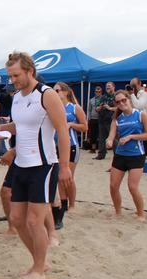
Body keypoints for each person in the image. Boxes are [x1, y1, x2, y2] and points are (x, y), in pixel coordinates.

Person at [0, 53, 72, 279]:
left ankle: (39, 266)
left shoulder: (47, 95)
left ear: (29, 72)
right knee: (16, 219)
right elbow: (21, 126)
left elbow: (62, 131)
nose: (12, 79)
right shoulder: (16, 98)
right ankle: (38, 261)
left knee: (35, 220)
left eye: (16, 75)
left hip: (43, 165)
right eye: (10, 75)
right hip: (22, 164)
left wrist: (64, 167)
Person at [106, 90, 147, 220]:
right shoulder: (117, 119)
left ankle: (141, 213)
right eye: (118, 102)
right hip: (120, 155)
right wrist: (109, 141)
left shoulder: (140, 114)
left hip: (136, 155)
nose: (121, 103)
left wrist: (131, 137)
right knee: (113, 186)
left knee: (132, 187)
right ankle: (118, 212)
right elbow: (111, 135)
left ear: (129, 99)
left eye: (123, 100)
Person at [52, 82, 87, 228]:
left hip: (71, 145)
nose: (55, 93)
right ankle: (64, 204)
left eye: (57, 90)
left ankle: (71, 204)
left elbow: (85, 126)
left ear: (65, 92)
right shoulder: (53, 107)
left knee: (68, 178)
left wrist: (71, 125)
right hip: (54, 146)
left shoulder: (74, 107)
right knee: (59, 178)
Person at [95, 82, 116, 160]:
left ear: (113, 87)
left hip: (111, 120)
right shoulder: (103, 97)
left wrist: (109, 108)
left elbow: (119, 108)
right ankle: (101, 154)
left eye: (109, 86)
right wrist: (99, 107)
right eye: (106, 86)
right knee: (101, 138)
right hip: (102, 119)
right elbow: (96, 108)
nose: (107, 87)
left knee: (114, 138)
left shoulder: (116, 96)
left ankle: (117, 155)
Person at [87, 86, 102, 153]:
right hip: (93, 119)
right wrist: (89, 118)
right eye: (96, 91)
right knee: (93, 135)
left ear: (101, 92)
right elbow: (89, 110)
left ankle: (102, 149)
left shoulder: (103, 99)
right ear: (94, 92)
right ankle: (93, 148)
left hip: (101, 119)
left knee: (102, 134)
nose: (98, 93)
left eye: (99, 92)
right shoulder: (91, 100)